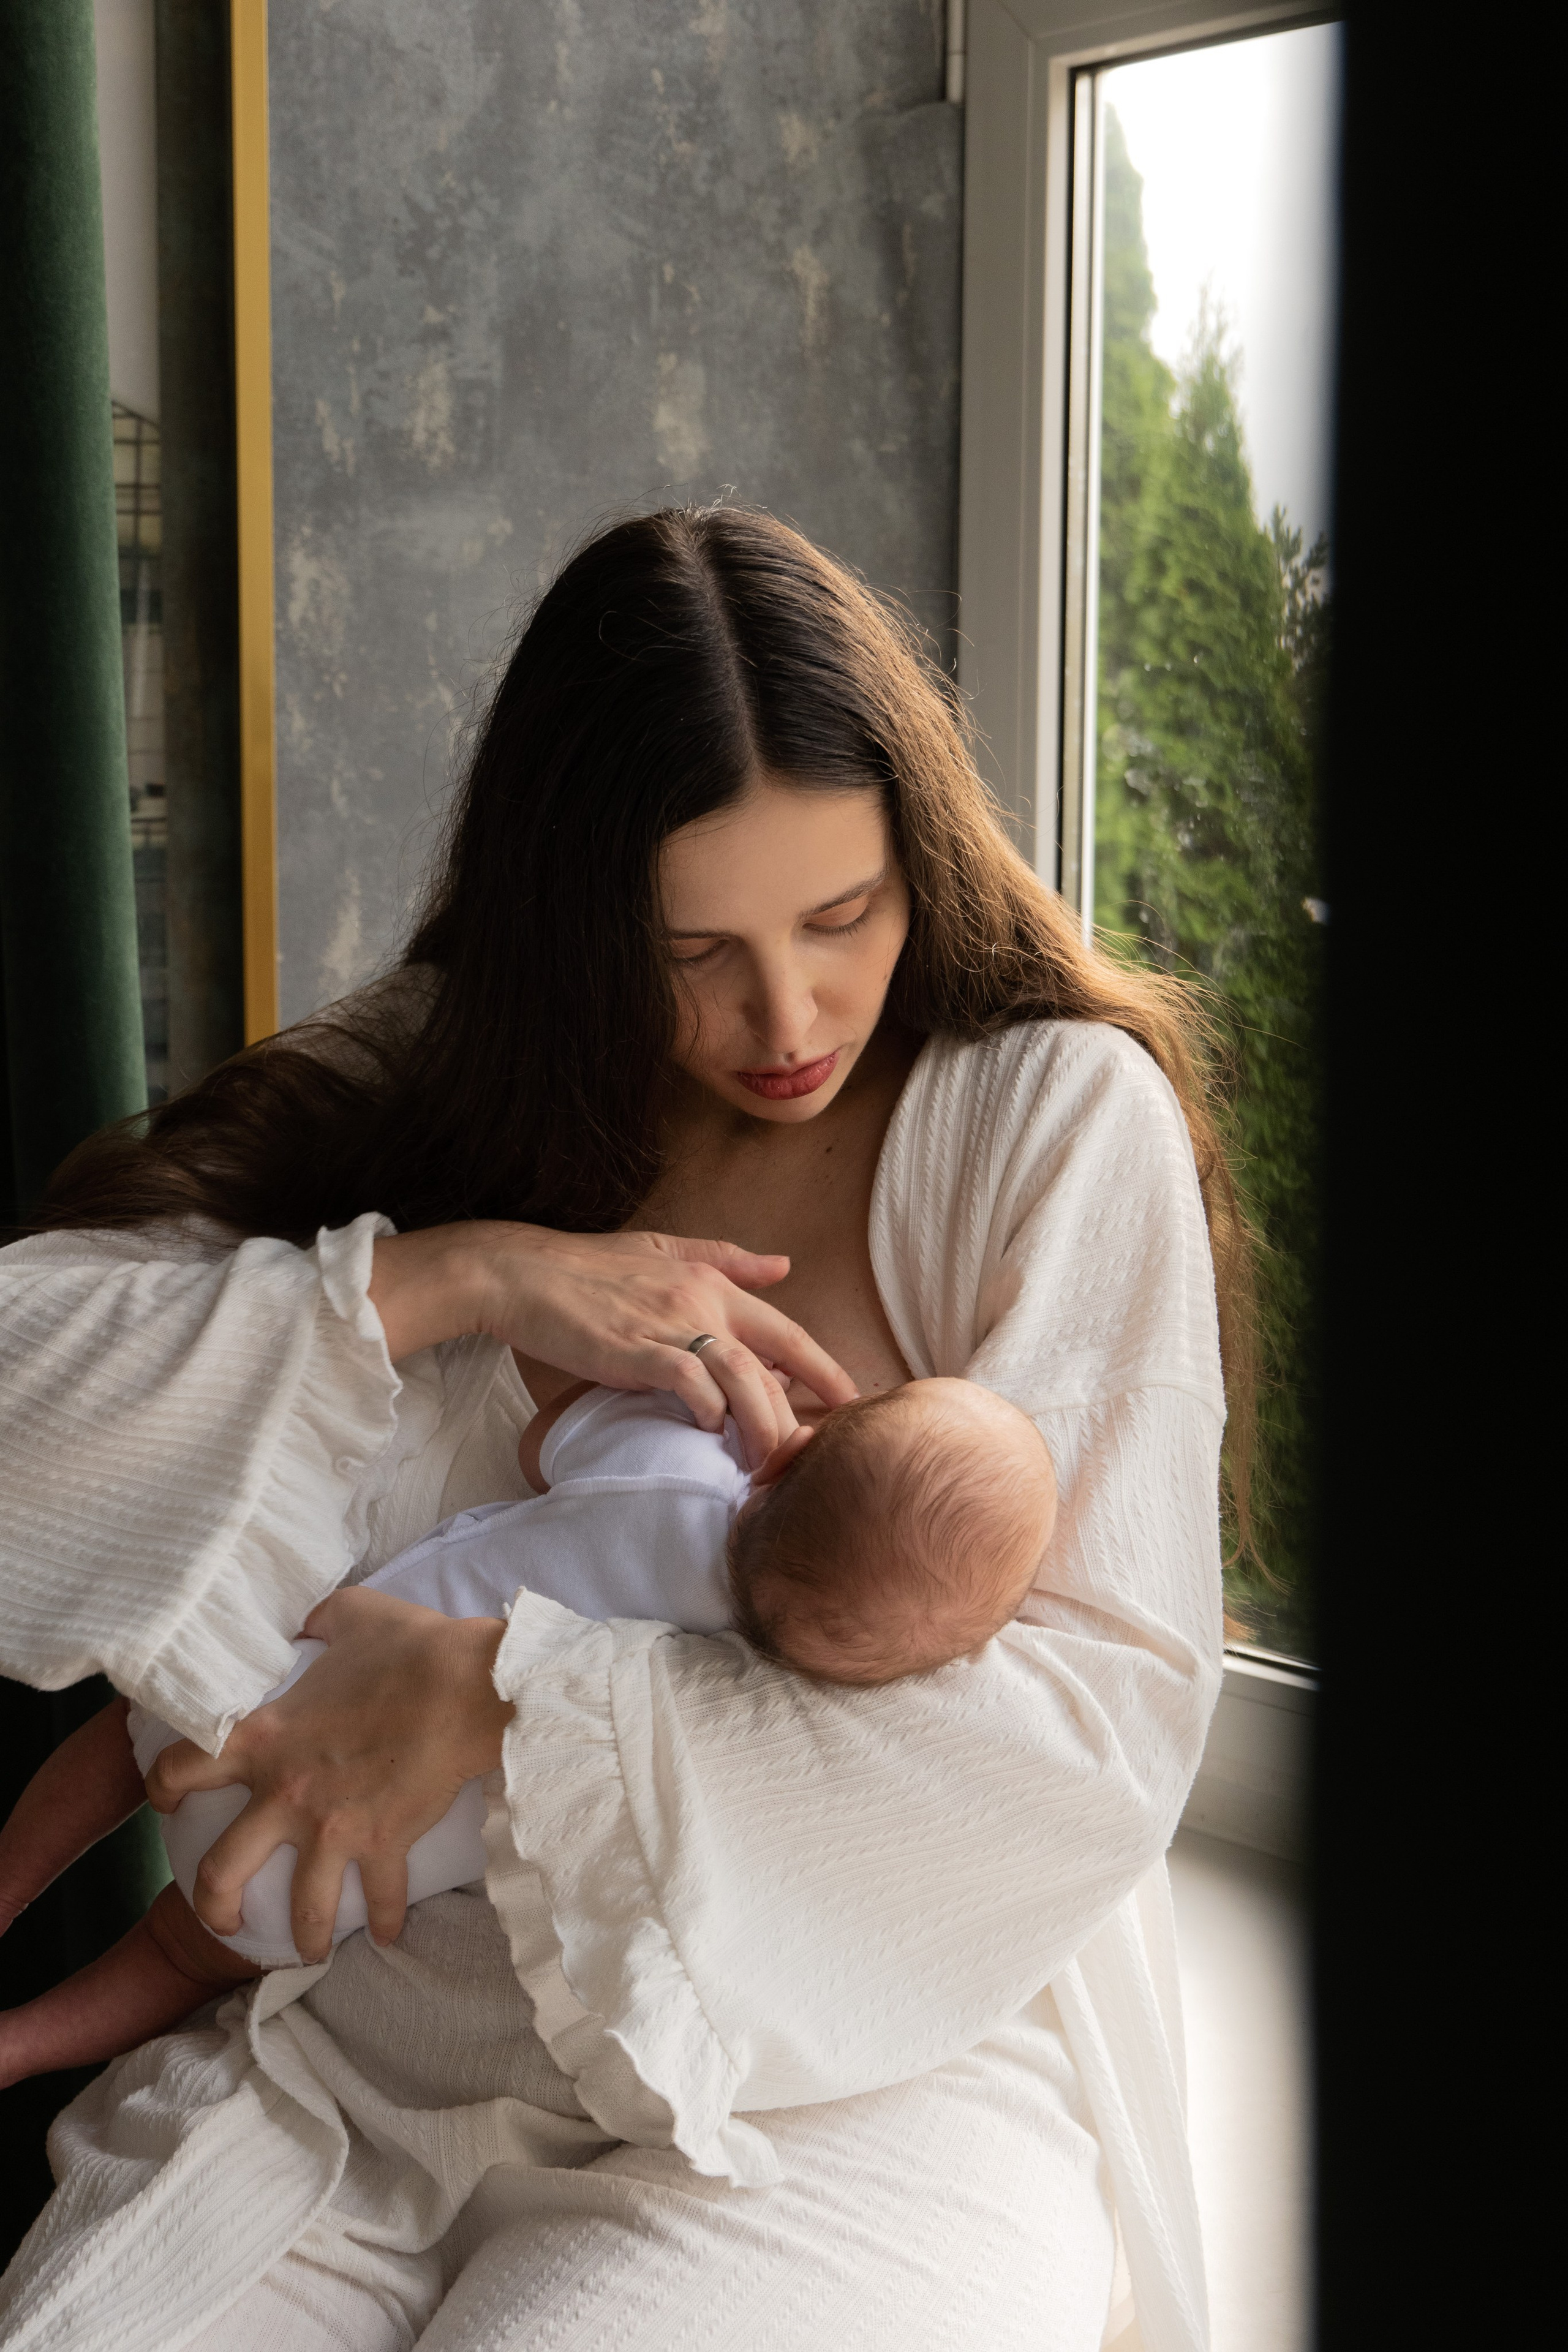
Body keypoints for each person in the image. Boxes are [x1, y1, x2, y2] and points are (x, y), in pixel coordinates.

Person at [0, 507, 1245, 2352]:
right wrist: (451, 1283)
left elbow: (1092, 1727)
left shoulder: (1050, 1128)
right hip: (361, 2054)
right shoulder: (444, 1082)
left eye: (844, 917)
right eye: (695, 949)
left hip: (832, 2083)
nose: (791, 1013)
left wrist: (515, 1694)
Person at [0, 1373, 1057, 2067]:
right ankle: (18, 2045)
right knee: (173, 1961)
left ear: (786, 1458)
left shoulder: (674, 1472)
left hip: (261, 1696)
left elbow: (546, 1431)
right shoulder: (721, 1697)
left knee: (113, 1744)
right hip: (302, 1889)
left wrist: (725, 1416)